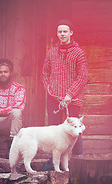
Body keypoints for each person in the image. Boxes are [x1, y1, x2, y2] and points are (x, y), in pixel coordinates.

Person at [42, 19, 88, 159]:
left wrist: (69, 94)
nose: (62, 34)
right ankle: (53, 160)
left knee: (75, 129)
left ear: (71, 33)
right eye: (60, 31)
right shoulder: (51, 52)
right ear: (57, 33)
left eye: (65, 31)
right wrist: (49, 89)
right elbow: (45, 73)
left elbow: (83, 76)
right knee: (54, 130)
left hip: (73, 99)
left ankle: (77, 158)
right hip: (54, 98)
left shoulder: (78, 53)